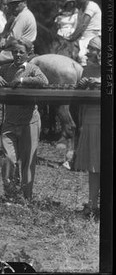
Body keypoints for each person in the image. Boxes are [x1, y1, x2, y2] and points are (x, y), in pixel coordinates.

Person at [0, 38, 49, 201]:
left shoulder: (33, 69)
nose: (17, 55)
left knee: (27, 161)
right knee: (8, 159)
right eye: (15, 51)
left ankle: (26, 198)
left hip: (29, 122)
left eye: (21, 52)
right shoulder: (6, 68)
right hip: (10, 122)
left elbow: (44, 81)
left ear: (28, 53)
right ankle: (10, 195)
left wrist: (22, 80)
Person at [73, 36, 101, 218]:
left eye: (91, 48)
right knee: (93, 165)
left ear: (101, 51)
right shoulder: (86, 70)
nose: (87, 52)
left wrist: (98, 83)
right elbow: (78, 98)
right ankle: (92, 205)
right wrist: (81, 86)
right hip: (90, 120)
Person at [0, 0, 37, 70]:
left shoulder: (22, 16)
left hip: (18, 48)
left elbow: (14, 37)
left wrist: (4, 43)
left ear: (24, 3)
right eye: (13, 4)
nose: (14, 6)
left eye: (17, 3)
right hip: (27, 47)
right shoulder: (27, 14)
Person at [68, 0, 101, 66]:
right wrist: (72, 36)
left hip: (93, 35)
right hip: (84, 35)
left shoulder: (91, 6)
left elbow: (83, 25)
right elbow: (79, 26)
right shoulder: (81, 10)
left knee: (82, 55)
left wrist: (72, 38)